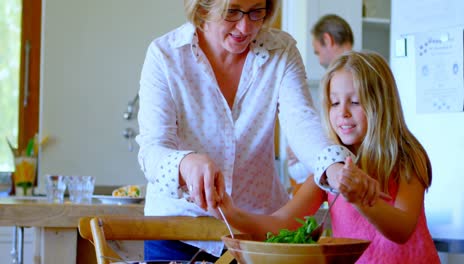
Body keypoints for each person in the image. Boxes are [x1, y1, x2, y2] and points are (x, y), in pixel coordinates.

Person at [135, 0, 350, 261]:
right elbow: (152, 149)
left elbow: (302, 122)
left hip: (255, 232)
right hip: (178, 234)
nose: (245, 26)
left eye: (256, 11)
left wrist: (333, 166)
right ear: (204, 7)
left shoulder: (281, 51)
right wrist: (184, 163)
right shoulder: (166, 55)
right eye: (232, 11)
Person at [213, 51, 440, 263]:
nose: (343, 113)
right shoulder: (330, 166)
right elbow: (282, 223)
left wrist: (358, 198)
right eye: (334, 103)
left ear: (381, 105)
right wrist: (231, 213)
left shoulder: (407, 155)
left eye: (355, 102)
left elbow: (401, 229)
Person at [287, 14, 354, 187]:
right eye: (335, 103)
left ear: (327, 39)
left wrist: (304, 151)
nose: (318, 59)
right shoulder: (360, 71)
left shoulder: (350, 75)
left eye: (317, 52)